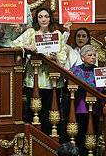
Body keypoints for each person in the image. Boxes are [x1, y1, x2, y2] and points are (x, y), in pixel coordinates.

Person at [11, 7, 67, 136]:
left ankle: (49, 138)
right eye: (40, 16)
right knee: (34, 111)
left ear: (50, 18)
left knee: (50, 111)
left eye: (46, 16)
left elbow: (63, 57)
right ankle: (35, 138)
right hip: (33, 79)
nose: (43, 19)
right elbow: (13, 44)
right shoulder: (31, 32)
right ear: (36, 19)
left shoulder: (57, 34)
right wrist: (26, 46)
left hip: (52, 80)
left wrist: (55, 57)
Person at [69, 45, 106, 156]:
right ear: (82, 58)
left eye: (94, 55)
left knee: (93, 134)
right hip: (80, 107)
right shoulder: (74, 70)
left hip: (95, 108)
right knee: (80, 135)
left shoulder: (100, 71)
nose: (93, 57)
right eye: (90, 55)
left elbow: (103, 89)